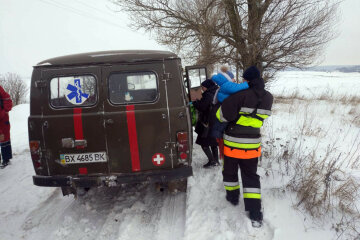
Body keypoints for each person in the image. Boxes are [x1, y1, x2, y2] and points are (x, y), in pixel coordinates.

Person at [216, 66, 273, 227]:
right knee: (250, 176)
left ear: (246, 80)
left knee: (229, 172)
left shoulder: (240, 95)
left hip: (233, 144)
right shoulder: (269, 97)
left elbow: (222, 116)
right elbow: (262, 117)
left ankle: (233, 197)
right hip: (253, 145)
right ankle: (255, 213)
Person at [210, 70, 249, 162]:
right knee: (222, 125)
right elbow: (239, 87)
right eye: (232, 78)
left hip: (222, 108)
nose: (234, 80)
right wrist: (248, 84)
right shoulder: (227, 85)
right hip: (226, 110)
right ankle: (220, 141)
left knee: (220, 126)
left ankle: (219, 139)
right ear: (227, 78)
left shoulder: (223, 86)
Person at [192, 79, 219, 168]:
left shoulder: (208, 95)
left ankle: (212, 161)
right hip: (215, 121)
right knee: (213, 142)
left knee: (204, 142)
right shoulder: (216, 92)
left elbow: (202, 107)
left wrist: (195, 101)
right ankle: (216, 160)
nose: (202, 89)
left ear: (207, 87)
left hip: (207, 122)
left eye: (203, 87)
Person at [0, 86, 13, 169]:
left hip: (3, 122)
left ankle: (6, 159)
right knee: (4, 140)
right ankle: (6, 158)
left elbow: (9, 104)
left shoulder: (4, 95)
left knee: (4, 140)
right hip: (4, 120)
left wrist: (4, 112)